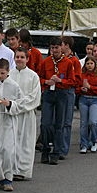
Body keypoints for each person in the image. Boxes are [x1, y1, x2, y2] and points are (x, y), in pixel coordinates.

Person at [38, 36, 75, 165]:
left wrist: (60, 81)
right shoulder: (46, 62)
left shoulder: (68, 63)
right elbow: (39, 78)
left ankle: (56, 152)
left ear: (61, 48)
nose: (55, 50)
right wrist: (46, 82)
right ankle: (45, 149)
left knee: (59, 124)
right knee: (45, 124)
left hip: (62, 93)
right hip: (49, 93)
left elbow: (72, 81)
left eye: (57, 47)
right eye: (52, 48)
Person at [0, 58, 22, 192]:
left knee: (8, 150)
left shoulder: (14, 86)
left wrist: (10, 104)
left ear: (8, 71)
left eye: (2, 73)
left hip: (8, 120)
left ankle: (8, 178)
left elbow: (20, 104)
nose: (0, 76)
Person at [9, 48, 41, 180]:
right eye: (17, 57)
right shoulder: (9, 74)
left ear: (27, 59)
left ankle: (23, 170)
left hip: (26, 114)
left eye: (22, 57)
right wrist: (11, 105)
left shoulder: (33, 76)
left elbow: (34, 97)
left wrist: (18, 105)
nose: (19, 59)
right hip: (11, 114)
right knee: (12, 141)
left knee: (26, 142)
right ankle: (10, 169)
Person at [77, 58, 97, 153]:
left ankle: (94, 141)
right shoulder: (82, 75)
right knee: (84, 123)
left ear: (94, 65)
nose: (89, 65)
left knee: (93, 122)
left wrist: (91, 87)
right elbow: (76, 87)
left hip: (95, 100)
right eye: (88, 63)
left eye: (91, 63)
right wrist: (81, 89)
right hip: (83, 99)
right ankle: (84, 144)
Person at [61, 35, 82, 157]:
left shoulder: (74, 61)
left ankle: (64, 148)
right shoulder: (58, 59)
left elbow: (77, 79)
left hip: (68, 91)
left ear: (67, 46)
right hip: (58, 90)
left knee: (67, 121)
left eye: (61, 44)